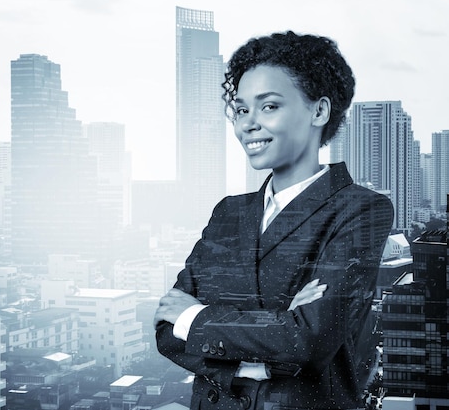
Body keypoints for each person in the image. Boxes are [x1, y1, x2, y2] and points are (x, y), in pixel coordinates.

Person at [154, 31, 394, 410]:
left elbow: (311, 339)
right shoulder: (228, 212)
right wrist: (272, 337)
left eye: (268, 107)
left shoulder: (359, 209)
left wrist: (197, 317)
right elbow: (167, 331)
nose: (248, 124)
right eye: (241, 109)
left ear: (318, 111)